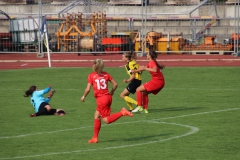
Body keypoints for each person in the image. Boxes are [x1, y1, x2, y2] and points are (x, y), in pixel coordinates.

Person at [81, 58, 133, 144]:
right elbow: (115, 84)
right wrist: (111, 92)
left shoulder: (91, 75)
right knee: (96, 116)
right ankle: (95, 137)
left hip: (101, 100)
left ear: (94, 66)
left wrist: (83, 96)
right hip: (108, 97)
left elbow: (88, 89)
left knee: (106, 120)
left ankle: (122, 112)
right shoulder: (106, 74)